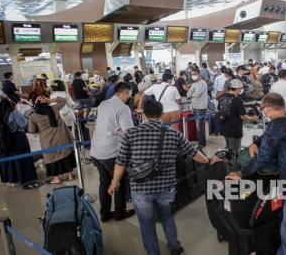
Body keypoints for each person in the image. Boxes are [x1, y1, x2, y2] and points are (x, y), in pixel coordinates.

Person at [107, 100, 221, 255]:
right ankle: (175, 247)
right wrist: (208, 160)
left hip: (140, 187)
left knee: (146, 223)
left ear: (143, 115)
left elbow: (120, 162)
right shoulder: (174, 133)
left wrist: (114, 182)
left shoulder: (131, 134)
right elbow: (193, 153)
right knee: (166, 216)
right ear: (162, 115)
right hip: (166, 185)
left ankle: (154, 252)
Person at [227, 93, 286, 255]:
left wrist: (242, 174)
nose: (264, 114)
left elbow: (263, 157)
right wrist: (255, 143)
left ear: (269, 108)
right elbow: (269, 137)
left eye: (264, 110)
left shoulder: (277, 124)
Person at [90, 82, 135, 222]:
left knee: (104, 182)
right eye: (129, 94)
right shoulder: (123, 108)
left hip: (96, 150)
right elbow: (128, 132)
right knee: (118, 183)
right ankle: (119, 213)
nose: (129, 97)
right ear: (123, 92)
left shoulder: (103, 104)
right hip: (112, 152)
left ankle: (105, 213)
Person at [29, 96, 76, 184]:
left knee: (52, 158)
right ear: (46, 102)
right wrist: (50, 100)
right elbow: (64, 100)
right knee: (65, 155)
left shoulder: (33, 116)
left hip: (47, 141)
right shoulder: (54, 108)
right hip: (61, 137)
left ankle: (56, 178)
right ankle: (70, 175)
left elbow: (32, 130)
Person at [0, 99, 37, 186]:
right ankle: (23, 177)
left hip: (3, 140)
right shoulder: (14, 112)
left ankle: (11, 178)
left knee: (9, 160)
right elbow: (23, 124)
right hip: (17, 138)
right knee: (21, 158)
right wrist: (26, 116)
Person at [218, 79, 258, 161]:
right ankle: (234, 168)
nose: (241, 90)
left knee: (229, 148)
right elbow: (243, 116)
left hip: (224, 127)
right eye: (240, 89)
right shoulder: (237, 100)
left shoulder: (221, 98)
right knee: (235, 152)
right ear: (237, 89)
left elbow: (221, 110)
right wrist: (252, 118)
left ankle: (228, 165)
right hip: (234, 129)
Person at [187, 69, 208, 147]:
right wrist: (191, 94)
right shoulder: (194, 84)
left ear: (199, 74)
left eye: (195, 74)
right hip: (194, 106)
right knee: (197, 126)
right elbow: (188, 94)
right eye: (192, 74)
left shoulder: (202, 83)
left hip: (201, 107)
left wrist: (192, 94)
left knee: (200, 126)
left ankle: (202, 143)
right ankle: (199, 141)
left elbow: (197, 94)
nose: (193, 76)